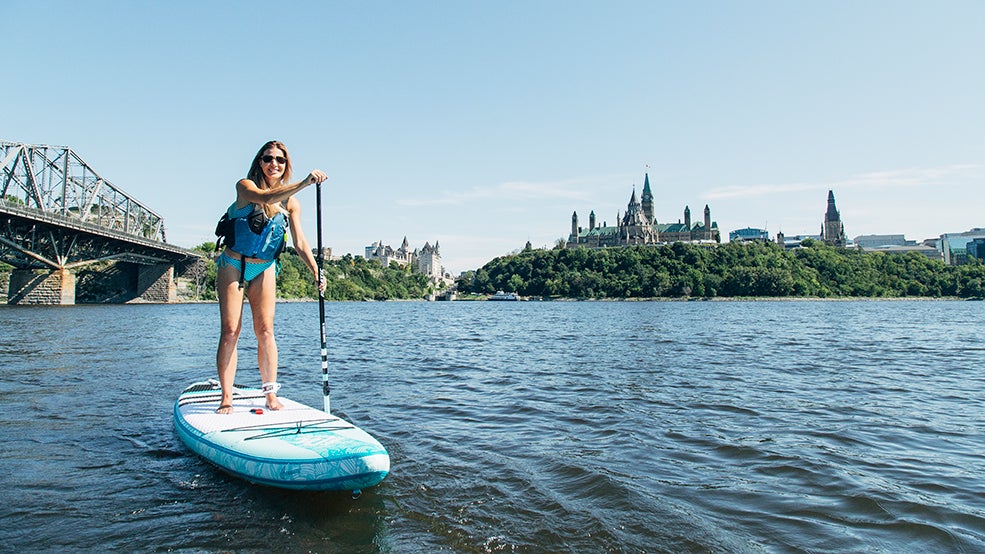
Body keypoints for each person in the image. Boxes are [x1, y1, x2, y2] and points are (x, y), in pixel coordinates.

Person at [214, 140, 327, 414]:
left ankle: (270, 394)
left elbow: (300, 243)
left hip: (265, 267)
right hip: (234, 264)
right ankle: (226, 397)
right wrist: (304, 182)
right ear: (259, 161)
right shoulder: (245, 186)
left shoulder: (292, 203)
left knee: (265, 331)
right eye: (268, 158)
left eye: (280, 159)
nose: (273, 164)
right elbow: (266, 199)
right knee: (231, 331)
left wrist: (316, 271)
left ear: (286, 164)